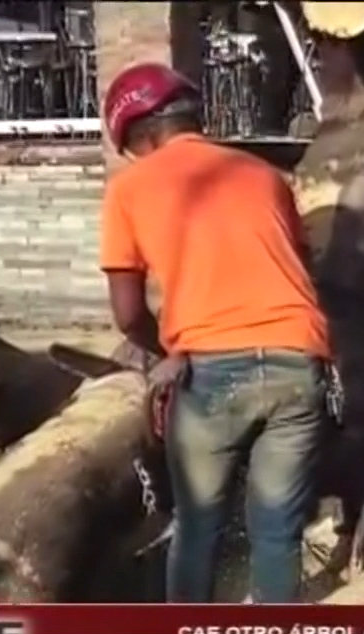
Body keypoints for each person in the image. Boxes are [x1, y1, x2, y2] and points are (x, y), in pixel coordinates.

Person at [99, 62, 333, 604]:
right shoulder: (264, 176)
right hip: (299, 360)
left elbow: (129, 312)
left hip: (212, 374)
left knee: (198, 524)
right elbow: (294, 269)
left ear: (143, 135)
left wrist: (169, 351)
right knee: (276, 528)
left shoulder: (130, 189)